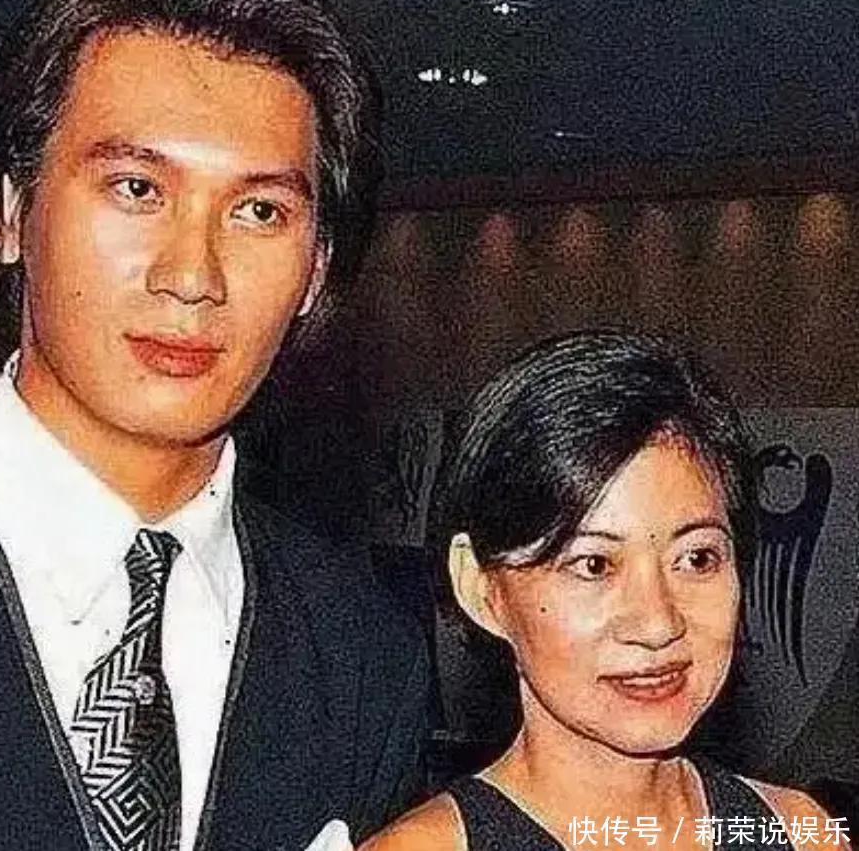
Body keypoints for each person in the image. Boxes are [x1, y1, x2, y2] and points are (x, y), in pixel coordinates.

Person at [0, 0, 428, 851]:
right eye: (137, 189)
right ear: (9, 214)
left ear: (316, 268)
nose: (192, 275)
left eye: (259, 212)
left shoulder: (359, 650)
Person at [360, 332, 846, 851]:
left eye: (697, 558)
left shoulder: (800, 831)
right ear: (481, 588)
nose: (658, 624)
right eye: (594, 565)